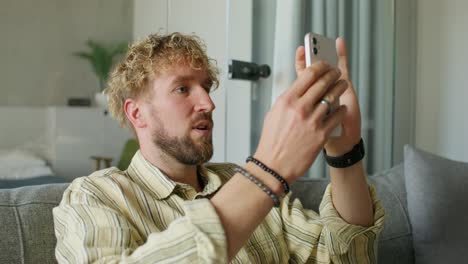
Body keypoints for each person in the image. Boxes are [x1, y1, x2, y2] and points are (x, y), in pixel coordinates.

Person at [53, 32, 385, 263]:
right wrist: (267, 169)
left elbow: (346, 255)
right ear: (136, 112)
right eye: (183, 89)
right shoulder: (97, 195)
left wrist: (345, 151)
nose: (208, 103)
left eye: (206, 87)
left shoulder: (236, 180)